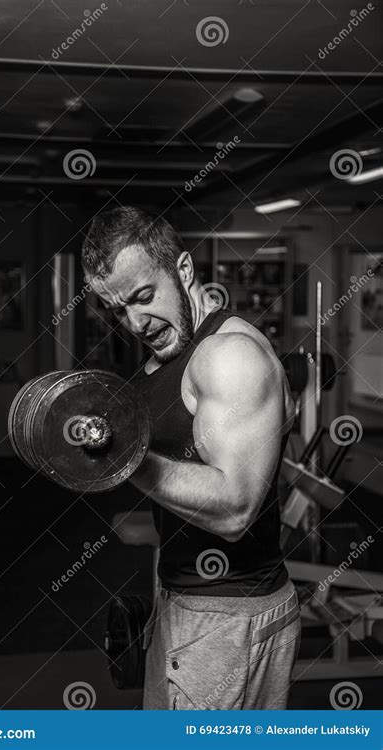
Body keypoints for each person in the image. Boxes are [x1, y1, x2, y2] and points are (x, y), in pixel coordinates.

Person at [82, 206, 301, 710]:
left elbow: (234, 509)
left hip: (229, 615)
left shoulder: (229, 357)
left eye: (143, 297)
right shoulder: (167, 350)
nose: (135, 322)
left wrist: (125, 455)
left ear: (183, 271)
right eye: (119, 310)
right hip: (183, 600)